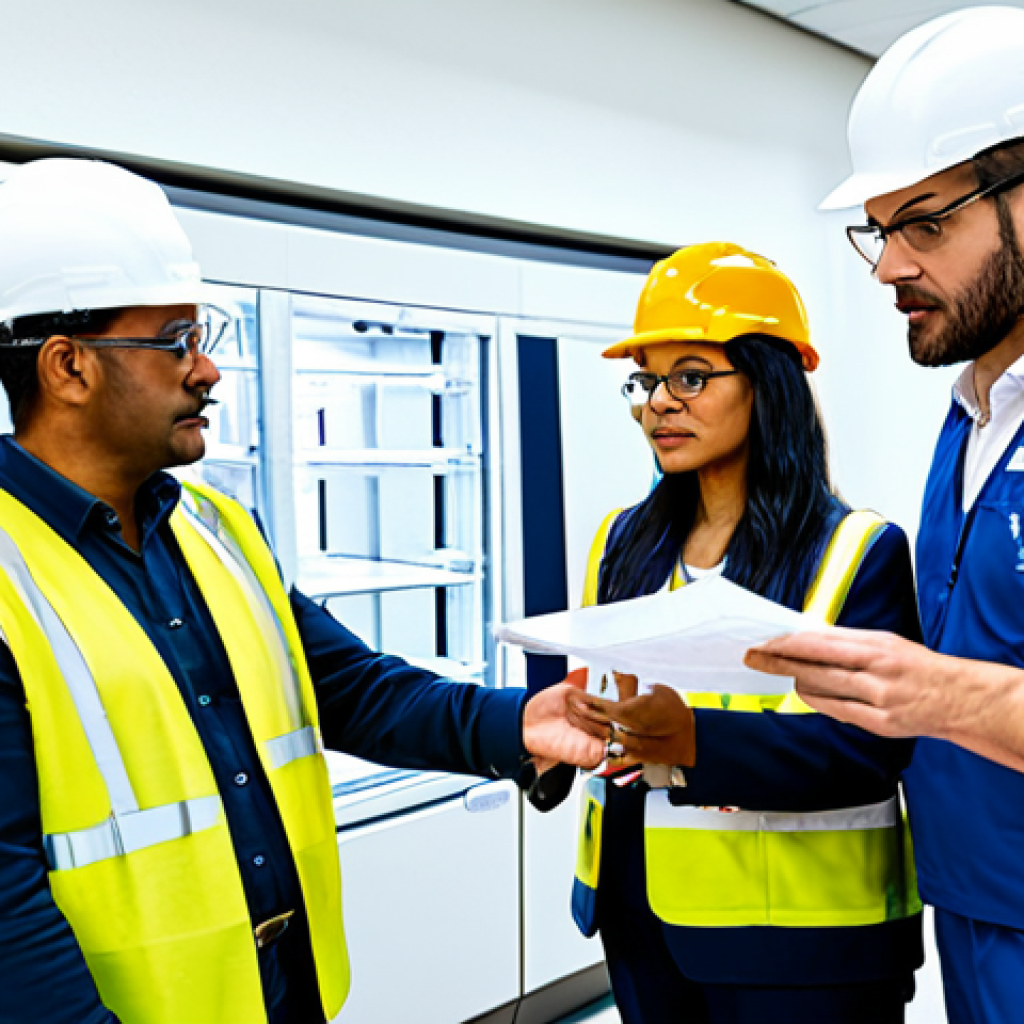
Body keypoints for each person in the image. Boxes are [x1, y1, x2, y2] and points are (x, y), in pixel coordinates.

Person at [0, 157, 603, 1024]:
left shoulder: (215, 528)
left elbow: (349, 689)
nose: (207, 370)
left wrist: (516, 724)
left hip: (283, 990)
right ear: (68, 367)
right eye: (176, 341)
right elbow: (7, 903)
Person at [553, 242, 923, 1024]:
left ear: (768, 384)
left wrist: (693, 741)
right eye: (647, 380)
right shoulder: (620, 541)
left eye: (690, 377)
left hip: (804, 947)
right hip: (639, 918)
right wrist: (564, 733)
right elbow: (587, 695)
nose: (659, 403)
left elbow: (870, 754)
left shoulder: (856, 551)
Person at [744, 9, 1024, 1022]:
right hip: (972, 900)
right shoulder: (973, 415)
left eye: (927, 224)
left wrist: (940, 696)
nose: (887, 267)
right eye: (880, 228)